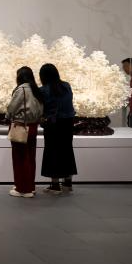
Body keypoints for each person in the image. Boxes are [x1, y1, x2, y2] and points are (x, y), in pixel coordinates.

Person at [38, 63, 77, 194]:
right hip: (68, 123)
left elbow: (42, 109)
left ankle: (55, 186)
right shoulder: (66, 86)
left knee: (52, 152)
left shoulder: (43, 90)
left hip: (53, 125)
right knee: (67, 150)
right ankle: (67, 183)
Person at [6, 66, 44, 198]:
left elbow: (11, 108)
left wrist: (8, 116)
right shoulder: (36, 89)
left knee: (20, 158)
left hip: (21, 126)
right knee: (30, 157)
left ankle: (22, 189)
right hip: (33, 126)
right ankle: (30, 186)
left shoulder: (21, 89)